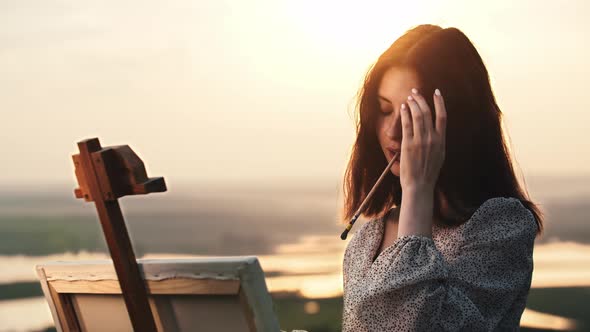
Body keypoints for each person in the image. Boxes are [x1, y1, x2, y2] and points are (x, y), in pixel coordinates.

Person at [340, 24, 545, 331]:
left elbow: (408, 323)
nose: (393, 131)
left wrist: (418, 190)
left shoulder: (501, 227)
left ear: (457, 119)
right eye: (384, 110)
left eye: (412, 114)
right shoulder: (367, 240)